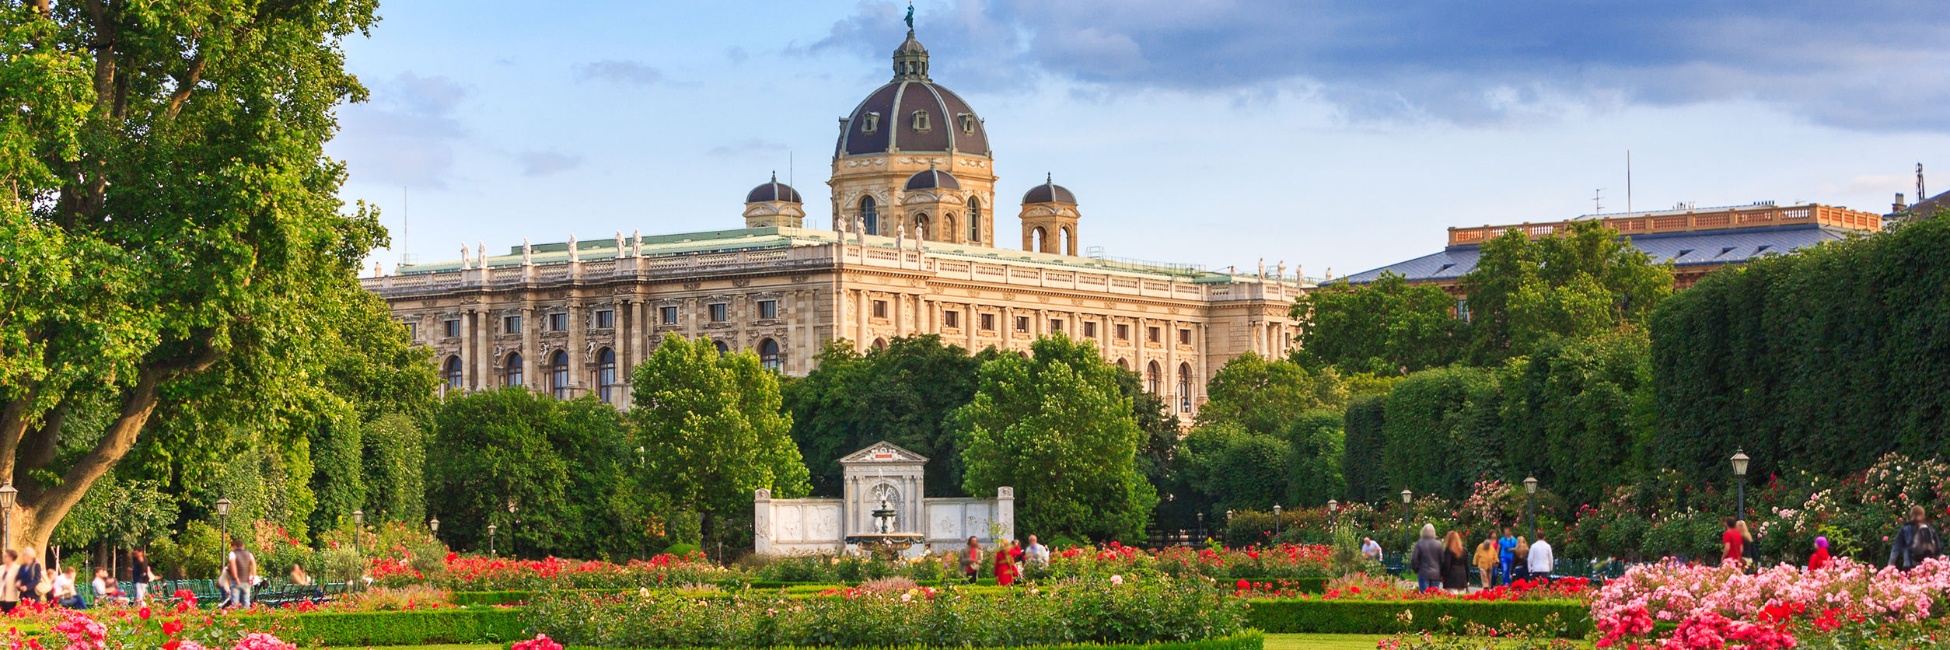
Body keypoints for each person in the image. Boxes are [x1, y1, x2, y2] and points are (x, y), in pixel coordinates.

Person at [1889, 505, 1940, 571]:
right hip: (1928, 566)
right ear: (1923, 515)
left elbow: (1895, 549)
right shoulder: (1930, 528)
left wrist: (1890, 566)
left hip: (1910, 566)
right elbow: (1938, 547)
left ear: (1912, 515)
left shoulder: (1905, 529)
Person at [1408, 524, 1444, 592]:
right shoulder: (1438, 544)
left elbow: (1414, 560)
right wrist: (1441, 573)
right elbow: (1442, 561)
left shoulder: (1419, 543)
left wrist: (1417, 570)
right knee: (1434, 596)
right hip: (1436, 574)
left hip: (1423, 573)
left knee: (1424, 596)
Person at [223, 538, 258, 608]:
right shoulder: (249, 554)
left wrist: (236, 577)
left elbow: (233, 566)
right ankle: (246, 617)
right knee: (246, 604)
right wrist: (253, 576)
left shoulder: (232, 554)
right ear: (243, 546)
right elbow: (254, 564)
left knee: (235, 604)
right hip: (246, 581)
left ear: (235, 546)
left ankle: (236, 618)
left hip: (236, 582)